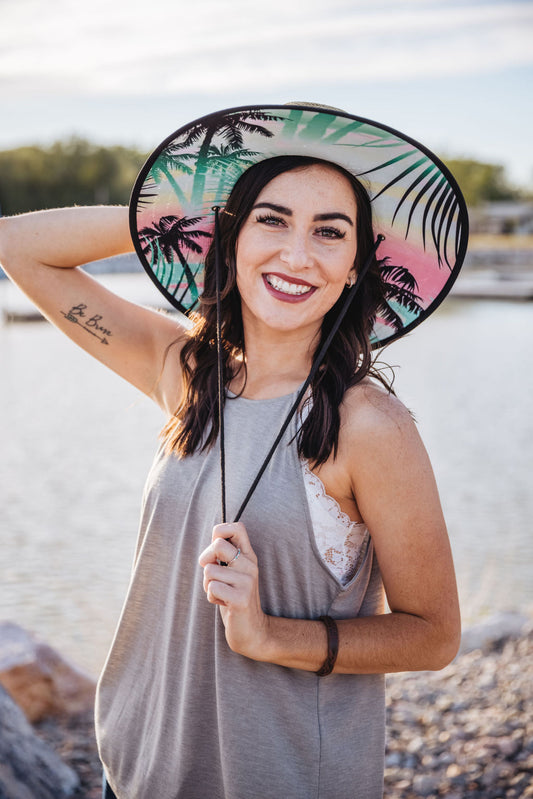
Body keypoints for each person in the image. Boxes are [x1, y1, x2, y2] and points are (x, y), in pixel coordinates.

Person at [0, 104, 468, 799]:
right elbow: (18, 245)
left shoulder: (368, 425)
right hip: (133, 767)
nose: (296, 253)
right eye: (270, 220)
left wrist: (273, 636)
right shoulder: (187, 372)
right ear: (230, 235)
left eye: (328, 233)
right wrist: (191, 206)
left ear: (353, 268)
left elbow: (432, 635)